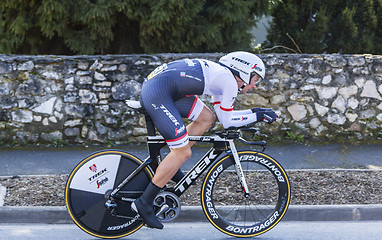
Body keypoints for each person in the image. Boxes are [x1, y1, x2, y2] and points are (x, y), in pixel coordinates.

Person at [131, 51, 278, 229]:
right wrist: (257, 114)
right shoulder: (228, 81)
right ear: (244, 72)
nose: (255, 86)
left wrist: (255, 113)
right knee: (183, 152)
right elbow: (228, 121)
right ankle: (144, 203)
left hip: (163, 88)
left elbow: (224, 117)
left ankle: (172, 163)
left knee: (206, 118)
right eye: (256, 79)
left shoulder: (223, 78)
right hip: (159, 92)